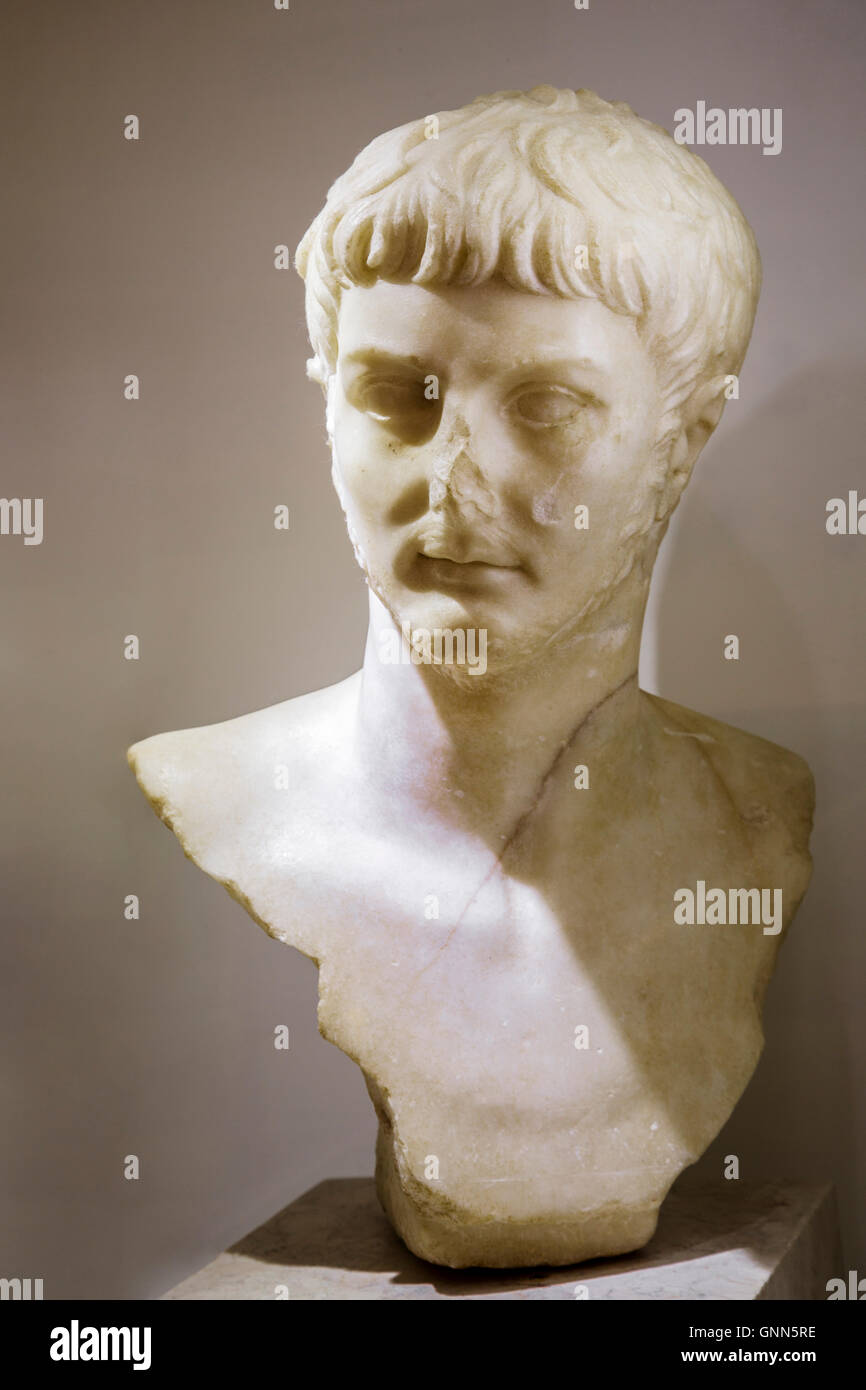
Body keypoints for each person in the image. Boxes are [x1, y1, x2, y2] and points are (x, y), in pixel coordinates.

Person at [129, 86, 813, 1268]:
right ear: (326, 397)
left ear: (681, 439)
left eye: (545, 404)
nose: (455, 483)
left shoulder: (755, 821)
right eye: (398, 396)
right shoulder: (228, 796)